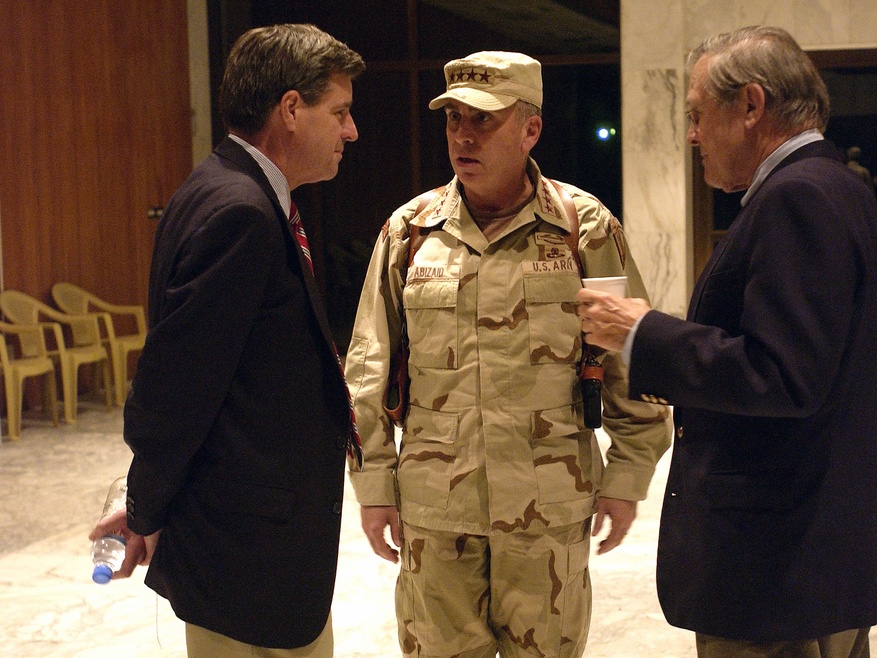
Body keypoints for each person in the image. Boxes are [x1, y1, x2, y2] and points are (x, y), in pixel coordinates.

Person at [577, 26, 877, 658]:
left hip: (778, 570)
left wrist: (643, 333)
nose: (692, 135)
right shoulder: (837, 186)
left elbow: (780, 375)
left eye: (697, 115)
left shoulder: (798, 197)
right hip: (817, 554)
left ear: (751, 107)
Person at [345, 51, 671, 658]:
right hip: (437, 511)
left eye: (485, 121)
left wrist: (628, 475)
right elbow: (367, 363)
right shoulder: (410, 233)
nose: (464, 136)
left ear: (531, 128)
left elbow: (631, 356)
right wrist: (373, 485)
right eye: (454, 120)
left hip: (547, 510)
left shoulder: (584, 229)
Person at [87, 24, 365, 657]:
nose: (351, 132)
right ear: (291, 109)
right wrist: (145, 506)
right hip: (247, 552)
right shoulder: (240, 212)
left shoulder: (223, 186)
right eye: (340, 113)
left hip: (253, 544)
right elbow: (176, 385)